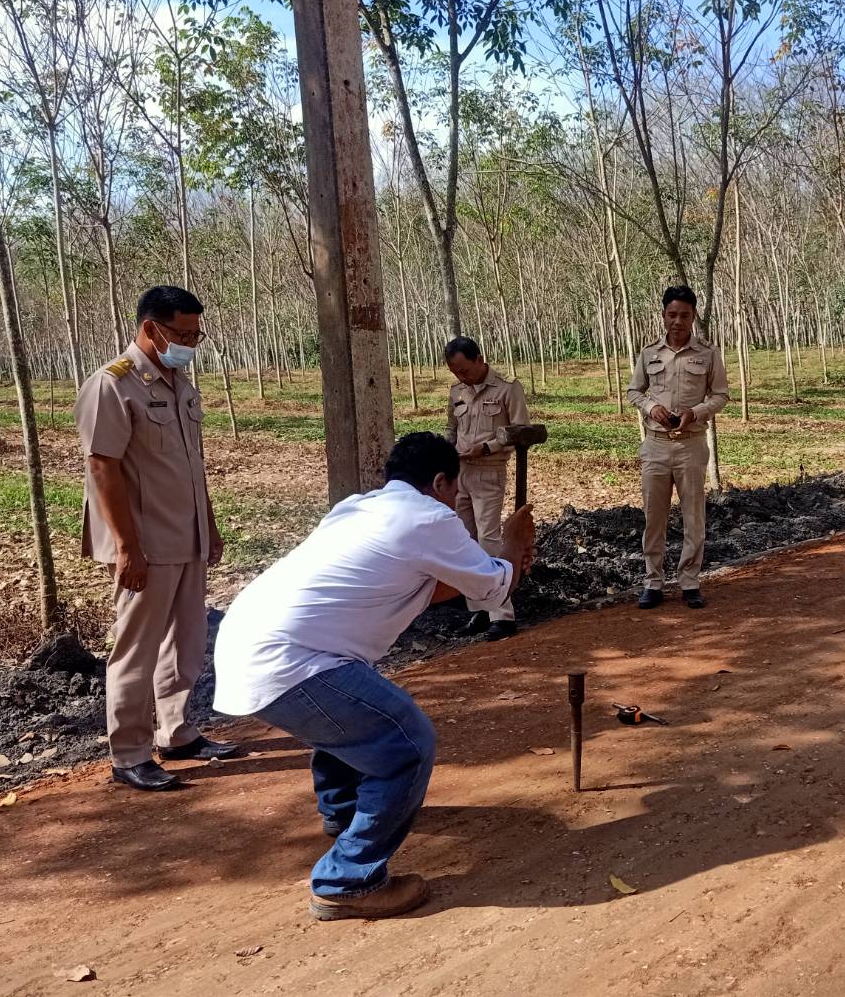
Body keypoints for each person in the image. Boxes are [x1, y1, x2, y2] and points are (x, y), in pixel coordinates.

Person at [213, 433, 535, 920]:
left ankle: (346, 815)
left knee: (351, 723)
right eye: (452, 489)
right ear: (441, 481)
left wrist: (503, 567)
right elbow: (493, 587)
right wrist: (513, 550)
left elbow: (422, 588)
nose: (454, 501)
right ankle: (347, 879)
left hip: (247, 643)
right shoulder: (431, 515)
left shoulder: (355, 509)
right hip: (292, 660)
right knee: (406, 743)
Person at [75, 286, 241, 793]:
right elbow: (102, 467)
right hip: (144, 541)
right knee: (137, 649)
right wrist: (128, 547)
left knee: (186, 640)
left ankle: (177, 731)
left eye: (196, 334)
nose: (191, 342)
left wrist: (208, 524)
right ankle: (128, 752)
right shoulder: (112, 385)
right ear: (151, 329)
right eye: (183, 333)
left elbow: (193, 465)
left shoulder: (178, 382)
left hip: (185, 534)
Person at [626, 285, 730, 611]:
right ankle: (652, 582)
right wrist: (649, 407)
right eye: (672, 315)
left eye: (684, 315)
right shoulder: (648, 354)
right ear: (663, 315)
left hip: (691, 446)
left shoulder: (708, 354)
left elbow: (721, 395)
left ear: (693, 316)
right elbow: (634, 391)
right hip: (655, 447)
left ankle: (689, 582)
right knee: (653, 518)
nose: (678, 321)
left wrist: (695, 413)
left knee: (693, 518)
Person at [444, 335, 531, 639]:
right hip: (460, 473)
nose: (461, 377)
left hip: (489, 472)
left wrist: (487, 448)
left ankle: (502, 615)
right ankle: (479, 609)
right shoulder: (457, 393)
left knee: (489, 538)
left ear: (480, 359)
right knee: (464, 540)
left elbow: (521, 431)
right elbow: (452, 430)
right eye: (455, 372)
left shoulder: (508, 390)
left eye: (465, 370)